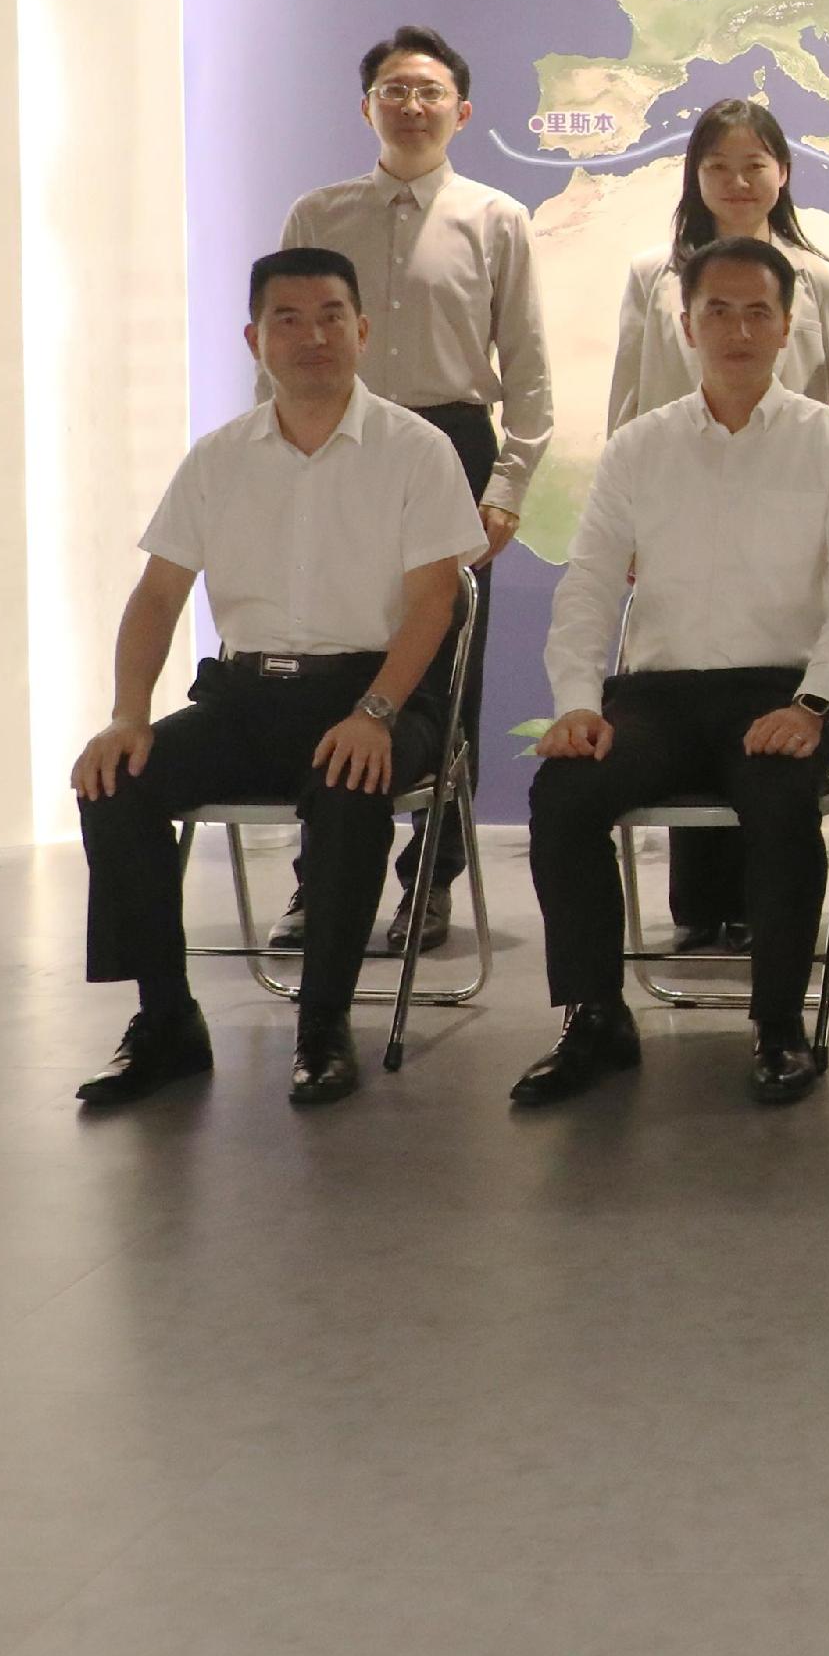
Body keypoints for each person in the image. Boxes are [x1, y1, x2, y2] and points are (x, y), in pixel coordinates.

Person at [68, 248, 485, 1111]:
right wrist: (126, 714)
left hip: (378, 693)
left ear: (362, 330)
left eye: (332, 315)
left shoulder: (417, 450)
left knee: (347, 776)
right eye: (288, 320)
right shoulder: (219, 458)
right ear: (256, 338)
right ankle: (166, 1019)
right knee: (117, 782)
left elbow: (434, 602)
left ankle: (323, 1025)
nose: (312, 336)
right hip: (245, 695)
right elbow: (156, 596)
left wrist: (375, 711)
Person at [512, 238, 829, 1111]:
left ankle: (780, 1025)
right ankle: (595, 1015)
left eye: (759, 310)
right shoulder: (640, 447)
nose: (738, 328)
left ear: (789, 326)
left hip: (782, 689)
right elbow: (592, 585)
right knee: (565, 793)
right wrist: (575, 703)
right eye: (717, 309)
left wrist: (814, 702)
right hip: (658, 696)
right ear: (684, 324)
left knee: (780, 792)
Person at [274, 24, 552, 954]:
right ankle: (319, 882)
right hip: (336, 443)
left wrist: (507, 485)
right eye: (394, 89)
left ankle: (430, 883)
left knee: (445, 673)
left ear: (461, 110)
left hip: (453, 444)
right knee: (324, 653)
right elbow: (282, 346)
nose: (412, 104)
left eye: (430, 91)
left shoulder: (496, 216)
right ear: (367, 107)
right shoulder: (318, 215)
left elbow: (532, 377)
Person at [607, 96, 829, 953]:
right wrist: (628, 523)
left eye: (756, 165)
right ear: (696, 177)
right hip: (674, 509)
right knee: (683, 676)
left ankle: (765, 909)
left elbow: (823, 403)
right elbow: (630, 397)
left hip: (780, 513)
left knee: (764, 697)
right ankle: (700, 908)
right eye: (719, 166)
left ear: (782, 173)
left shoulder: (818, 277)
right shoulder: (654, 272)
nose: (738, 181)